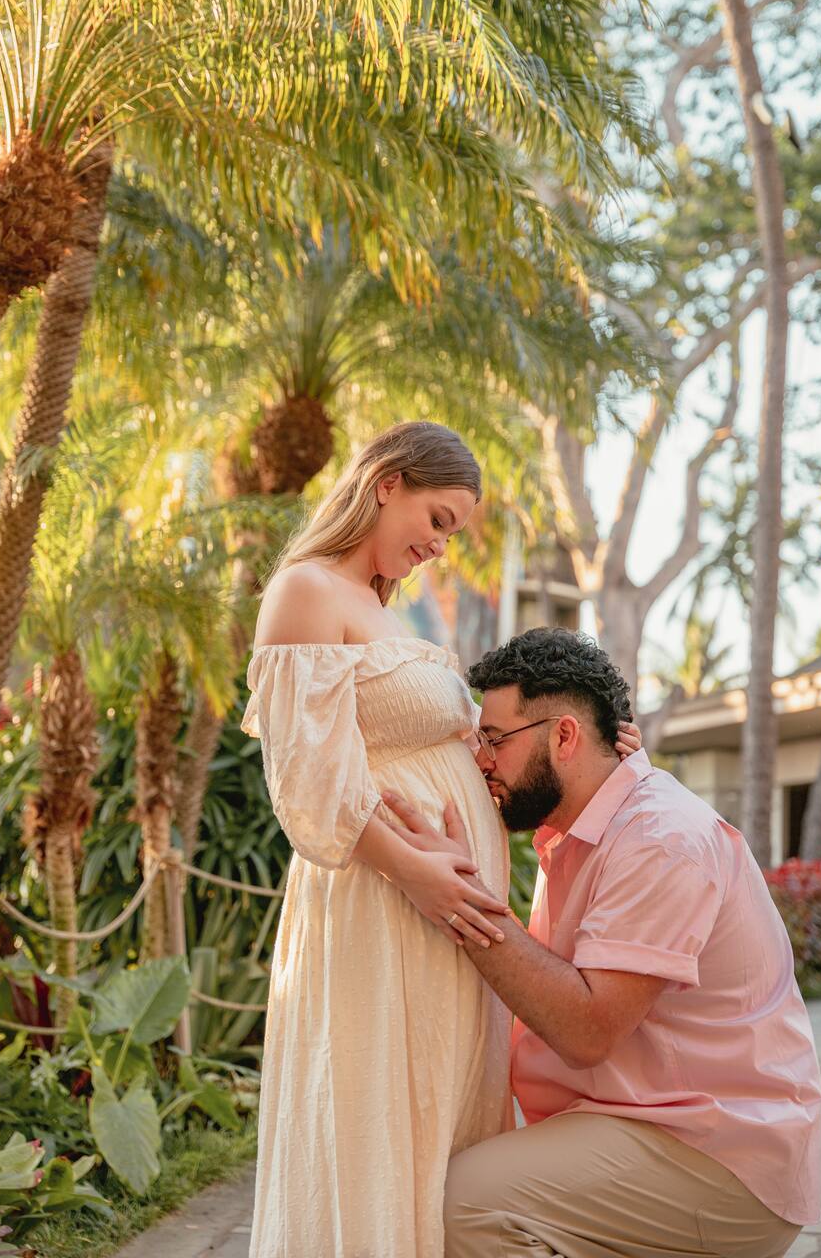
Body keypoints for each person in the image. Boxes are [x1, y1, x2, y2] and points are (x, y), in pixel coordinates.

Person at [241, 422, 641, 1258]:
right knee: (376, 1109)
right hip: (382, 906)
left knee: (440, 1117)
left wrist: (596, 748)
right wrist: (418, 876)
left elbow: (474, 756)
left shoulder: (383, 612)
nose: (439, 545)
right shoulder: (306, 590)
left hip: (445, 919)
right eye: (438, 518)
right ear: (387, 481)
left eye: (451, 531)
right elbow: (309, 780)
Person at [384, 626, 821, 1258]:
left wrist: (462, 902)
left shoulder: (659, 839)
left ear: (564, 736)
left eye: (494, 740)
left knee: (467, 1203)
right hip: (653, 1128)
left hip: (720, 1157)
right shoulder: (589, 824)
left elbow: (587, 1030)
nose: (481, 761)